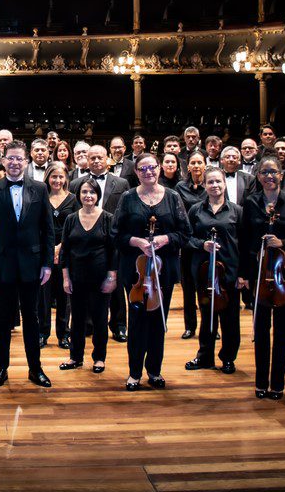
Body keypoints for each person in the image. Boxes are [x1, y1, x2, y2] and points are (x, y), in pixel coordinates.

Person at [0, 140, 54, 389]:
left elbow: (48, 230)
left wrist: (47, 264)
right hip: (2, 264)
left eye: (18, 158)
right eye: (9, 158)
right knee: (2, 318)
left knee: (32, 318)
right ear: (3, 160)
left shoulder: (40, 188)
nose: (14, 162)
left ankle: (36, 368)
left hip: (33, 264)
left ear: (26, 161)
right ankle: (2, 367)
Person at [112, 153, 189, 391]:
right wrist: (136, 241)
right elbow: (116, 234)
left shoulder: (173, 197)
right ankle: (134, 372)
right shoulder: (127, 198)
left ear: (158, 169)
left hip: (162, 271)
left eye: (152, 167)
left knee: (158, 321)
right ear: (136, 172)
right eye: (142, 169)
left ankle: (154, 371)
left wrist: (166, 238)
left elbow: (185, 233)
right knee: (136, 321)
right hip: (135, 272)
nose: (148, 172)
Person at [243, 156, 285, 400]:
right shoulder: (251, 203)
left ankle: (277, 384)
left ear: (281, 175)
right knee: (260, 330)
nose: (269, 176)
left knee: (282, 331)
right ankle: (261, 381)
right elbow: (245, 238)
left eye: (273, 172)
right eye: (264, 172)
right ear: (258, 176)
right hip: (260, 274)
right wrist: (245, 273)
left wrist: (283, 242)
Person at [183, 168, 243, 374]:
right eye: (210, 182)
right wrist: (203, 245)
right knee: (207, 316)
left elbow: (243, 244)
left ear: (224, 184)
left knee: (230, 319)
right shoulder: (196, 211)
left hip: (229, 271)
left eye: (218, 181)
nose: (215, 185)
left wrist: (242, 274)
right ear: (205, 185)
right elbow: (187, 238)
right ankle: (205, 356)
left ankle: (228, 358)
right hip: (204, 272)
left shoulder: (236, 211)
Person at [58, 177, 116, 374]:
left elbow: (113, 250)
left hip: (100, 277)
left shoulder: (108, 218)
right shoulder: (71, 219)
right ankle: (75, 356)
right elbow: (65, 251)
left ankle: (99, 358)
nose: (88, 196)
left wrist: (111, 276)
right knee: (77, 318)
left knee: (100, 319)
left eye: (92, 192)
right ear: (79, 195)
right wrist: (66, 278)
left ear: (97, 195)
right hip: (77, 276)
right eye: (84, 192)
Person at [43, 162, 78, 348]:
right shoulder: (41, 197)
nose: (57, 180)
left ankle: (64, 334)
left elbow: (76, 226)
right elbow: (38, 225)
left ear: (66, 178)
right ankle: (43, 332)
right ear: (48, 177)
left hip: (66, 251)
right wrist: (50, 248)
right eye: (53, 176)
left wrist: (60, 247)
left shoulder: (73, 199)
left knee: (65, 295)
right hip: (44, 250)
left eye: (60, 177)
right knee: (44, 295)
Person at [175, 152, 208, 339]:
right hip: (188, 241)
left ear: (205, 165)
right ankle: (190, 326)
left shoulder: (211, 184)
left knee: (205, 286)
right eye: (193, 162)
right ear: (188, 167)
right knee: (188, 287)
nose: (196, 166)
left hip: (206, 241)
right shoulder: (181, 187)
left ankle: (207, 324)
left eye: (199, 162)